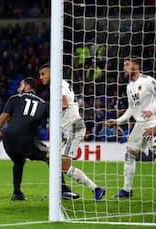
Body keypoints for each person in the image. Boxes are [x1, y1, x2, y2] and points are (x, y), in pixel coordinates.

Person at [0, 77, 97, 201]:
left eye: (20, 85)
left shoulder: (14, 98)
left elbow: (2, 118)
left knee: (18, 161)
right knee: (53, 158)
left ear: (27, 86)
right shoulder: (44, 104)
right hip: (27, 140)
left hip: (9, 139)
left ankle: (17, 193)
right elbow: (57, 117)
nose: (18, 88)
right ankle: (63, 190)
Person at [39, 64, 105, 200]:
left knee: (62, 165)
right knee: (54, 159)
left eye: (43, 74)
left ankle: (96, 189)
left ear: (52, 73)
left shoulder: (58, 84)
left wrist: (46, 108)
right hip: (69, 128)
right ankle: (61, 192)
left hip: (74, 127)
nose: (41, 78)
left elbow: (63, 104)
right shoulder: (61, 84)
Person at [106, 56, 156, 198]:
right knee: (129, 155)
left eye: (127, 64)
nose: (124, 67)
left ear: (136, 65)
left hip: (154, 121)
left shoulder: (148, 80)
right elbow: (131, 109)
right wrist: (118, 121)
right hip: (140, 125)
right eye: (124, 65)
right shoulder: (129, 87)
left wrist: (152, 109)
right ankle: (127, 190)